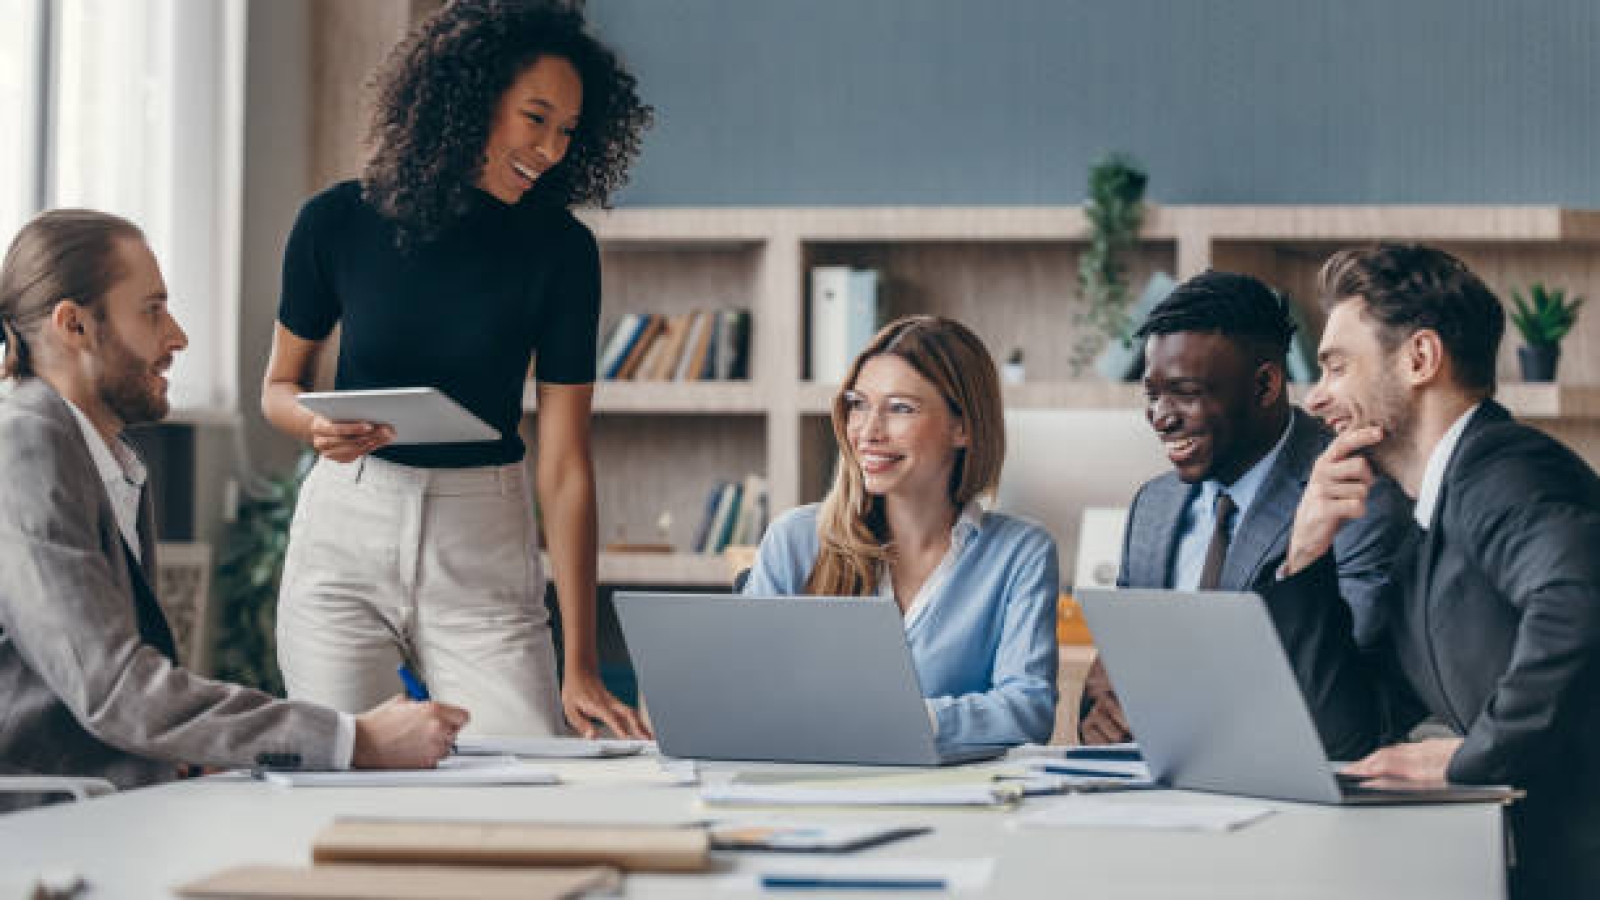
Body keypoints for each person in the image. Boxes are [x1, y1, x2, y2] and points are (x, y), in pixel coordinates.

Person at [261, 1, 652, 739]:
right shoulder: (335, 222)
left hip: (482, 543)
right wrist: (319, 423)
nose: (551, 148)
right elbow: (278, 388)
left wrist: (582, 663)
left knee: (526, 773)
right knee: (350, 780)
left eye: (568, 130)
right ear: (472, 98)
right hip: (345, 533)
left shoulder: (562, 252)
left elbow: (566, 465)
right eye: (535, 118)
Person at [0, 209, 468, 811]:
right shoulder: (24, 448)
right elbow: (115, 689)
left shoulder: (99, 455)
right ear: (75, 325)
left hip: (107, 799)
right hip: (44, 822)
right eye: (151, 310)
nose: (177, 337)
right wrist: (355, 739)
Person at [1265, 245, 1600, 898]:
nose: (1316, 398)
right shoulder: (1428, 529)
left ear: (1419, 358)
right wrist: (1306, 556)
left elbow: (1578, 598)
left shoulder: (1504, 468)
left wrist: (1476, 755)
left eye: (1336, 366)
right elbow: (1354, 735)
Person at [1078, 271, 1411, 750]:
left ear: (1265, 385)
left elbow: (1350, 705)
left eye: (1186, 393)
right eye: (1152, 395)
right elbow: (1115, 671)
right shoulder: (1154, 505)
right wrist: (1099, 716)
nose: (1161, 417)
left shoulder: (1353, 495)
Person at [743, 315, 1059, 747]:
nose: (869, 432)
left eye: (900, 409)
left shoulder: (1020, 552)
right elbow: (745, 697)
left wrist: (894, 718)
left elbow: (1028, 712)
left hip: (956, 804)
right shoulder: (795, 541)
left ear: (962, 427)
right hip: (814, 796)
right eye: (858, 404)